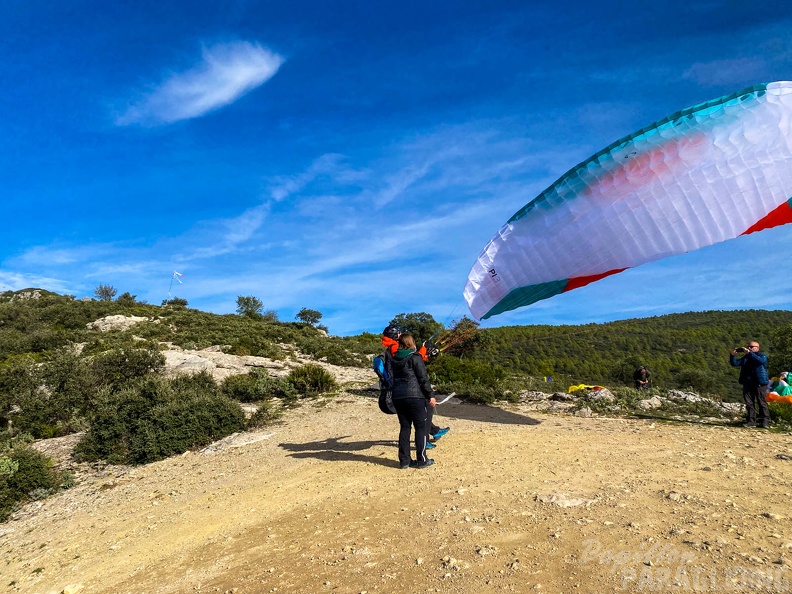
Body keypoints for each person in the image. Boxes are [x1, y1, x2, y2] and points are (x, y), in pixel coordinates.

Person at [381, 326, 449, 448]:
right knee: (426, 409)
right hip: (409, 387)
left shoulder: (391, 348)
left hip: (399, 389)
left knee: (413, 418)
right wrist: (423, 350)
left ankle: (434, 431)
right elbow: (411, 359)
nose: (402, 334)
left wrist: (425, 354)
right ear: (395, 335)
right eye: (399, 333)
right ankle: (425, 441)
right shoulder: (395, 348)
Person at [390, 333, 436, 469]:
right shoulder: (415, 357)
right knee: (421, 428)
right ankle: (422, 459)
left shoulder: (393, 359)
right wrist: (430, 395)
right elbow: (423, 378)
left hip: (398, 397)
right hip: (415, 397)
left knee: (405, 427)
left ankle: (404, 461)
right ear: (411, 343)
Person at [730, 341, 770, 429]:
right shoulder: (746, 357)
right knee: (749, 403)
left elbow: (761, 361)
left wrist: (750, 353)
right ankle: (751, 421)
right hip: (747, 382)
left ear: (757, 348)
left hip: (759, 382)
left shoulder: (762, 356)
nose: (749, 348)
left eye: (752, 347)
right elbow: (735, 363)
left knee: (761, 402)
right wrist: (732, 355)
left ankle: (765, 421)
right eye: (749, 347)